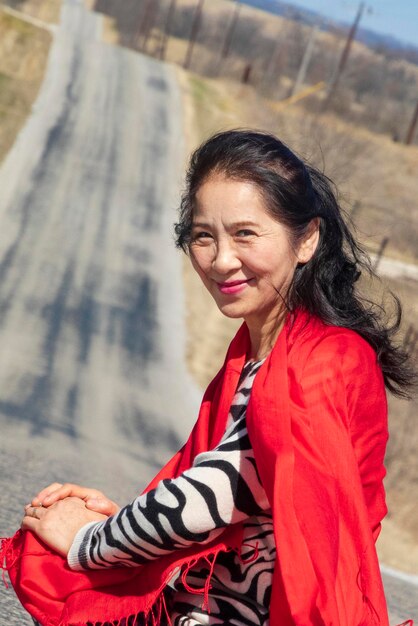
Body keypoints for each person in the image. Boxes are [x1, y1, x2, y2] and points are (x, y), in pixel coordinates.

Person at [5, 130, 415, 626]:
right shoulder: (255, 353)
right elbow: (210, 491)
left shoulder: (325, 360)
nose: (221, 260)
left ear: (306, 239)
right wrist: (123, 522)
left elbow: (217, 494)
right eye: (204, 236)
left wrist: (89, 541)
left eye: (245, 233)